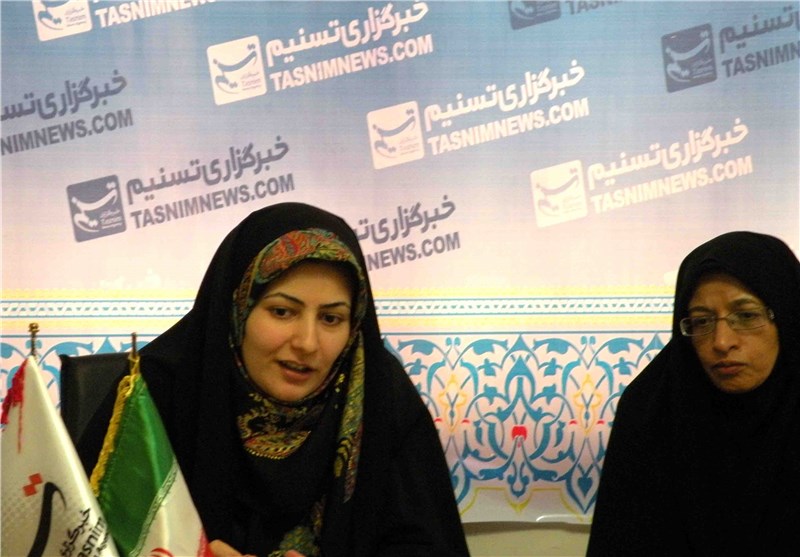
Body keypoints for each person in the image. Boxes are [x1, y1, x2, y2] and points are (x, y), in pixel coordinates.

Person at [138, 202, 470, 557]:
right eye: (282, 311)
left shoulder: (381, 394)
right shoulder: (152, 395)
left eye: (331, 319)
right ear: (237, 309)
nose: (307, 343)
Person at [586, 230, 800, 556]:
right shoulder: (651, 412)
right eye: (701, 321)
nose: (721, 342)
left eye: (746, 316)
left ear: (788, 317)